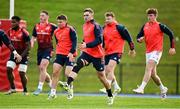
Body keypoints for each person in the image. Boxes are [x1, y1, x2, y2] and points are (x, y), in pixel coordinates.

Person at [63, 8, 114, 105]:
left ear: (92, 15)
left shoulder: (96, 26)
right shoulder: (84, 26)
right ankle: (68, 84)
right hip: (87, 53)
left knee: (102, 77)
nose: (85, 17)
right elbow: (86, 38)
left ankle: (110, 95)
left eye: (87, 15)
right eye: (84, 15)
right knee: (77, 65)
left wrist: (86, 45)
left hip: (98, 56)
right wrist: (83, 43)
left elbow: (99, 40)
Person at [133, 8, 176, 99]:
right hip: (148, 52)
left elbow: (171, 34)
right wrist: (139, 39)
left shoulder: (160, 26)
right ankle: (163, 88)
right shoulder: (145, 26)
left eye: (151, 15)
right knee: (153, 74)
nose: (149, 17)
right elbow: (138, 36)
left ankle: (141, 88)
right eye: (148, 15)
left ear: (155, 16)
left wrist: (172, 47)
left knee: (148, 67)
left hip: (157, 51)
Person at [99, 12, 136, 96]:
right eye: (106, 19)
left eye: (109, 19)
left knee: (109, 69)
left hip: (117, 51)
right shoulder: (104, 28)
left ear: (113, 18)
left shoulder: (120, 28)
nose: (107, 20)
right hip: (107, 52)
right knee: (106, 71)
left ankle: (106, 87)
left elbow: (129, 38)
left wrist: (132, 49)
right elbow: (102, 41)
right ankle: (116, 87)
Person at [48, 14, 77, 99]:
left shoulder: (70, 29)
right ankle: (53, 93)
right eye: (58, 22)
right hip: (60, 54)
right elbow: (58, 42)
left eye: (61, 22)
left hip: (69, 55)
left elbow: (74, 42)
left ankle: (70, 90)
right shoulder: (56, 31)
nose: (59, 23)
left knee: (68, 74)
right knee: (55, 72)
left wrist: (71, 53)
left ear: (65, 22)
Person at [31, 10, 57, 95]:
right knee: (42, 70)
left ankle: (39, 88)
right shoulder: (36, 26)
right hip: (40, 50)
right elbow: (33, 37)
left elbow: (61, 32)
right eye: (40, 15)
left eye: (42, 15)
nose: (41, 17)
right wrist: (32, 42)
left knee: (42, 67)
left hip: (48, 49)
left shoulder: (52, 26)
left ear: (47, 17)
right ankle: (51, 86)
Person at [5, 16, 30, 95]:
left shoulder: (24, 33)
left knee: (21, 73)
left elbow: (28, 46)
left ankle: (25, 90)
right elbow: (8, 43)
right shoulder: (10, 31)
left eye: (14, 22)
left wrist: (21, 56)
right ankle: (13, 88)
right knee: (9, 69)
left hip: (23, 55)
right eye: (11, 22)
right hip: (14, 54)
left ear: (18, 23)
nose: (12, 24)